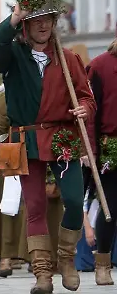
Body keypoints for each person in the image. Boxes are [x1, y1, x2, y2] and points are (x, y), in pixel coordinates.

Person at [0, 0, 94, 294]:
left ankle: (66, 258)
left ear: (55, 21)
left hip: (62, 138)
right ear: (26, 24)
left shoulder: (69, 58)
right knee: (34, 206)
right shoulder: (11, 57)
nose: (43, 24)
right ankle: (43, 273)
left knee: (74, 201)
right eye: (35, 19)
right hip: (25, 140)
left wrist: (85, 109)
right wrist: (13, 17)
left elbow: (86, 96)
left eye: (48, 18)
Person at [86, 36, 117, 286]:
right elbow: (90, 113)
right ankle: (103, 265)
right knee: (110, 207)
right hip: (111, 147)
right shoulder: (100, 65)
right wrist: (91, 150)